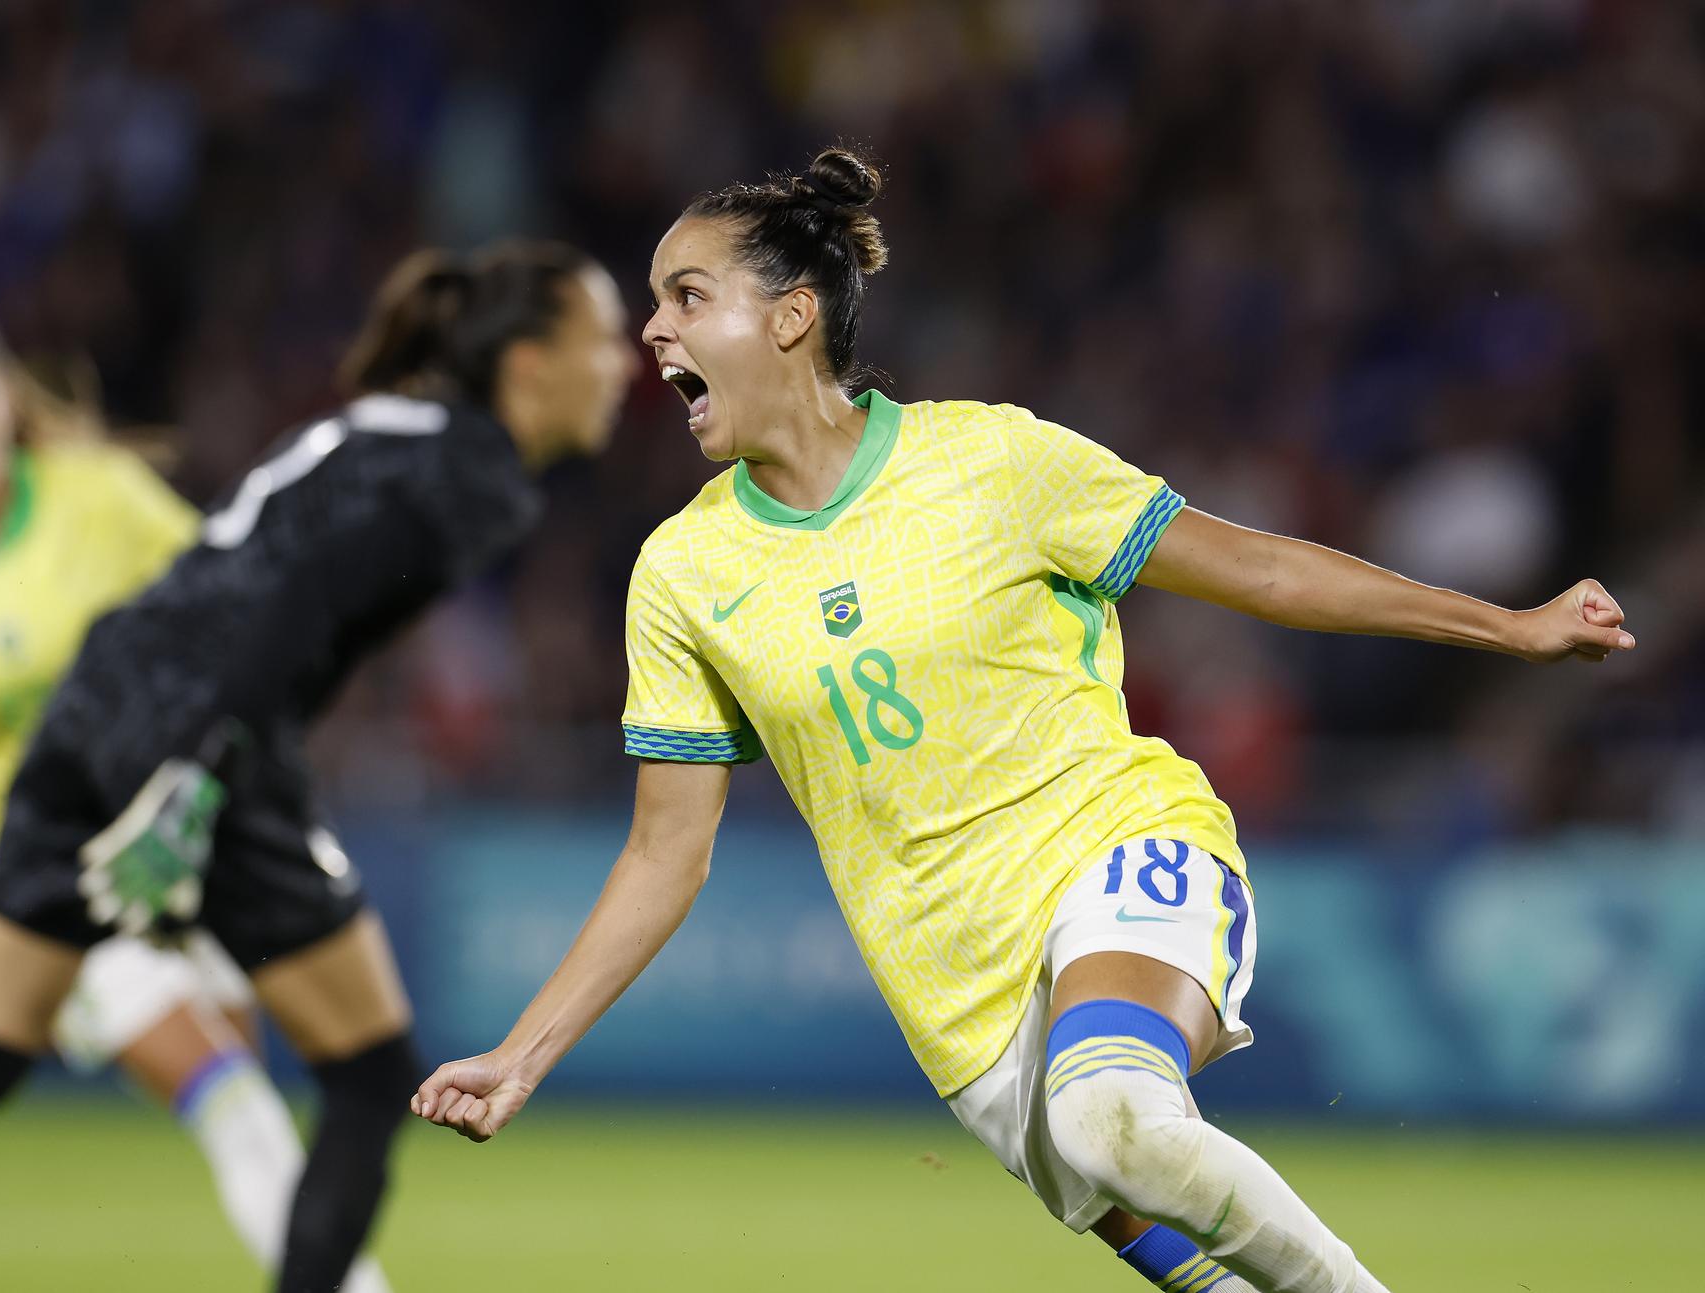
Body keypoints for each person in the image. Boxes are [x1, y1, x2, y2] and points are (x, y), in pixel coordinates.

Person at [410, 150, 1635, 1293]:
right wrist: (523, 1054)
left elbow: (1256, 570)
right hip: (963, 1013)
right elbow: (663, 853)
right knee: (1173, 1222)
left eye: (686, 295)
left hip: (1119, 851)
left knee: (1112, 1113)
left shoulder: (991, 462)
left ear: (788, 318)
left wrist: (1510, 628)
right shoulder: (683, 573)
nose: (654, 330)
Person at [0, 240, 638, 1293]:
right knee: (369, 1078)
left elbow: (225, 572)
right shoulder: (477, 478)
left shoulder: (382, 421)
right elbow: (294, 604)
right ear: (527, 364)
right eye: (600, 337)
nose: (626, 361)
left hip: (91, 712)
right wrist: (196, 774)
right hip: (201, 735)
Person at [0, 287, 390, 1291]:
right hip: (51, 890)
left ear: (5, 399)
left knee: (243, 1102)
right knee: (233, 1103)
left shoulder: (98, 496)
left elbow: (221, 592)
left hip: (182, 844)